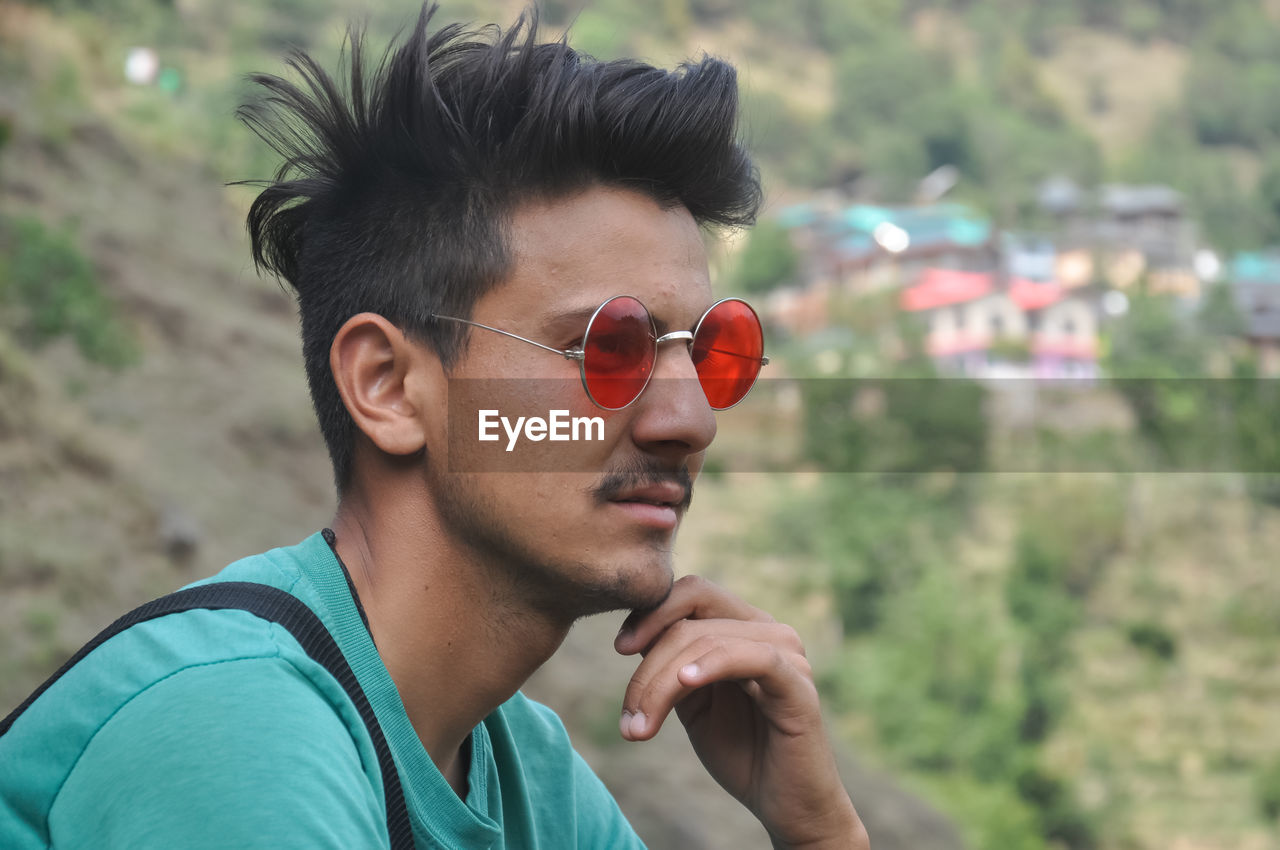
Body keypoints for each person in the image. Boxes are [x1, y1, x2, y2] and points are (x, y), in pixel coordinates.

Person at [0, 4, 868, 848]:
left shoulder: (526, 775)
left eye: (711, 352)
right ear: (388, 387)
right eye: (606, 347)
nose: (691, 422)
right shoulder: (229, 727)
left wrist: (821, 832)